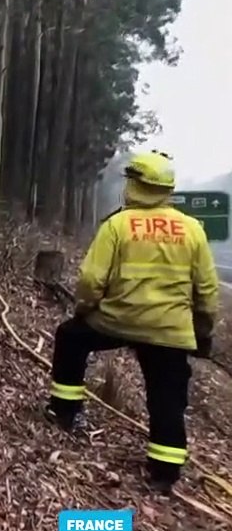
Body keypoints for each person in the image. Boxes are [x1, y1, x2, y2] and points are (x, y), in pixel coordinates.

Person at [45, 150, 220, 494]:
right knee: (167, 396)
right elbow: (207, 290)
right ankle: (165, 472)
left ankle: (64, 412)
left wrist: (85, 310)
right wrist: (202, 330)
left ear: (137, 184)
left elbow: (92, 281)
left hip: (116, 320)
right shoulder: (193, 231)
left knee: (70, 337)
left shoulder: (118, 224)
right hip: (170, 331)